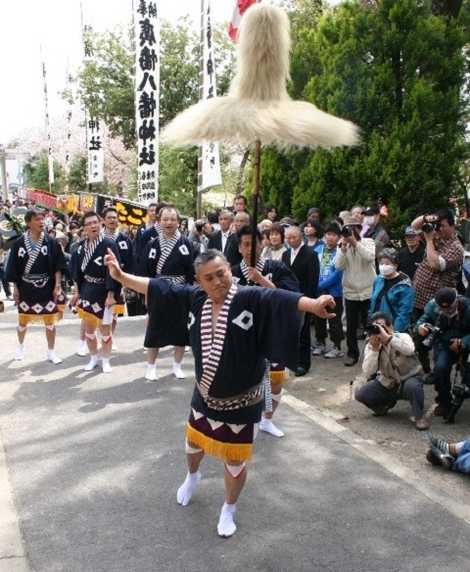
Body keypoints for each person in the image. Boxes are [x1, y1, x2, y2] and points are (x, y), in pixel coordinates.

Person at [104, 247, 335, 538]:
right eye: (209, 278)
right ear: (199, 281)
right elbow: (158, 286)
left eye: (221, 274)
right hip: (204, 397)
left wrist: (314, 304)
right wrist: (122, 276)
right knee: (192, 446)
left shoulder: (249, 298)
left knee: (235, 461)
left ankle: (229, 507)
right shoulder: (195, 298)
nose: (217, 282)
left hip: (242, 401)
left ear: (230, 270)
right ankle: (192, 476)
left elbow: (280, 298)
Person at [232, 225, 300, 438]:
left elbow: (291, 297)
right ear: (240, 248)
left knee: (276, 380)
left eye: (255, 243)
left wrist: (262, 280)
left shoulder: (277, 268)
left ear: (263, 243)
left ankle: (267, 419)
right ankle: (241, 418)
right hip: (243, 333)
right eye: (245, 244)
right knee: (242, 380)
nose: (251, 248)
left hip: (272, 330)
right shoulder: (231, 273)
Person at [140, 206, 195, 381]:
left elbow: (192, 270)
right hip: (158, 287)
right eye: (165, 219)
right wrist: (147, 293)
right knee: (154, 328)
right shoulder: (152, 243)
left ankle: (176, 366)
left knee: (180, 329)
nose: (169, 222)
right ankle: (151, 366)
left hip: (180, 289)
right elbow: (147, 271)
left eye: (172, 219)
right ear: (159, 221)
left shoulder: (186, 243)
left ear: (178, 222)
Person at [6, 208, 66, 363]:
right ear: (28, 223)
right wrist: (16, 289)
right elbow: (12, 267)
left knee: (50, 321)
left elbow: (58, 265)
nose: (42, 222)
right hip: (26, 287)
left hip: (46, 287)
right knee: (22, 321)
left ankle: (51, 352)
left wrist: (57, 284)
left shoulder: (51, 242)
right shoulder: (18, 243)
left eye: (42, 219)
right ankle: (20, 347)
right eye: (37, 219)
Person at [355, 312, 430, 430]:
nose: (379, 331)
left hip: (409, 378)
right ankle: (383, 407)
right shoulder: (372, 344)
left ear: (391, 327)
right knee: (361, 394)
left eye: (382, 327)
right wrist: (374, 350)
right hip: (388, 382)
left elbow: (409, 350)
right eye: (376, 328)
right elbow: (368, 372)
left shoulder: (402, 337)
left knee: (413, 386)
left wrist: (388, 338)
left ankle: (419, 417)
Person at [70, 211, 122, 373]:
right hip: (87, 291)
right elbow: (77, 272)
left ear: (101, 224)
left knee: (105, 330)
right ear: (84, 228)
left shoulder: (109, 244)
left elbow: (113, 271)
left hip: (104, 291)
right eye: (89, 224)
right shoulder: (79, 247)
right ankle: (93, 357)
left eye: (95, 222)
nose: (93, 226)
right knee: (89, 331)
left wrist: (111, 294)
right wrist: (77, 291)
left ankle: (106, 359)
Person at [416, 287, 470, 419]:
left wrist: (463, 342)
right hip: (445, 344)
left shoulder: (467, 307)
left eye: (450, 307)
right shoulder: (432, 306)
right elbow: (423, 319)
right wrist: (420, 327)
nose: (446, 311)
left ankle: (465, 390)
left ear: (456, 301)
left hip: (465, 342)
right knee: (440, 368)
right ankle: (444, 401)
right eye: (442, 308)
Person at [335, 214, 376, 366]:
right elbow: (338, 266)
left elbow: (370, 257)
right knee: (351, 327)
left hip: (368, 290)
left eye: (353, 229)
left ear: (359, 229)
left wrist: (355, 243)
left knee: (370, 325)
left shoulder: (368, 242)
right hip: (350, 292)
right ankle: (352, 353)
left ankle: (372, 354)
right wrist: (343, 249)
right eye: (347, 230)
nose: (350, 232)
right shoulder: (342, 244)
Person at [282, 225, 319, 376]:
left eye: (294, 237)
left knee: (303, 331)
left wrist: (309, 300)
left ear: (301, 237)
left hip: (304, 297)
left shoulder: (311, 254)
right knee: (290, 331)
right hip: (287, 298)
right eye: (288, 238)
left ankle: (304, 363)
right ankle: (291, 360)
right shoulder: (285, 254)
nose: (291, 240)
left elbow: (313, 279)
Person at [412, 209, 464, 315]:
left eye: (442, 225)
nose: (438, 229)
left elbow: (435, 265)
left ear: (452, 225)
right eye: (437, 225)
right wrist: (426, 218)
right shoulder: (436, 235)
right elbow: (414, 227)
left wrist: (429, 241)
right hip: (417, 297)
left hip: (435, 302)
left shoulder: (456, 247)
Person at [102, 207, 135, 350]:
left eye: (114, 217)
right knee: (99, 312)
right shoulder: (98, 238)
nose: (112, 220)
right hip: (100, 281)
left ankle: (110, 337)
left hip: (118, 281)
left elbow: (130, 261)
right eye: (109, 217)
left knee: (114, 312)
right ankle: (100, 337)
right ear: (103, 220)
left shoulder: (124, 239)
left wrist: (127, 281)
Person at [312, 223, 344, 358]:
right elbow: (312, 267)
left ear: (338, 237)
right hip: (318, 291)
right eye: (328, 234)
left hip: (334, 291)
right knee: (318, 316)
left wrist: (320, 285)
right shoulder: (318, 249)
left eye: (334, 235)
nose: (330, 237)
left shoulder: (340, 252)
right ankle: (320, 343)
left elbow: (338, 274)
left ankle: (337, 346)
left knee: (334, 319)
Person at [369, 248, 415, 333]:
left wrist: (394, 332)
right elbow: (373, 301)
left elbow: (404, 314)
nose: (383, 266)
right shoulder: (378, 279)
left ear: (396, 265)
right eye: (381, 263)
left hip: (392, 329)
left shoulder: (405, 286)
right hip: (376, 326)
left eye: (387, 264)